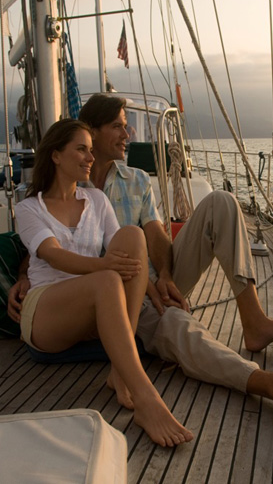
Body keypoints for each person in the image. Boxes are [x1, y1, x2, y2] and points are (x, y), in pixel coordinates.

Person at [10, 95, 273, 413]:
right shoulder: (59, 192)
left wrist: (166, 276)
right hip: (118, 290)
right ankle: (264, 382)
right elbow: (49, 249)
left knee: (223, 202)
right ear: (91, 131)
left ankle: (254, 321)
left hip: (153, 277)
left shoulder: (135, 181)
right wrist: (23, 277)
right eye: (117, 126)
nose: (127, 133)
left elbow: (155, 234)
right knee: (178, 327)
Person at [14, 118, 192, 447]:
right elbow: (52, 255)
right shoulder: (29, 208)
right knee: (106, 278)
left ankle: (118, 372)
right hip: (45, 315)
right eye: (81, 149)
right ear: (55, 155)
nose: (90, 158)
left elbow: (127, 255)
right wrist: (103, 265)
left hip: (93, 312)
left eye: (91, 150)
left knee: (132, 235)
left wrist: (153, 291)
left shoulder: (96, 199)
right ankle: (145, 397)